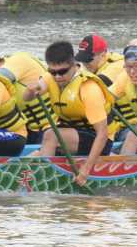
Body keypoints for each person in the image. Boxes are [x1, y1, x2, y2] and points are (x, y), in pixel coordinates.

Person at [25, 40, 115, 186]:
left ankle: (44, 183)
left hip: (98, 141)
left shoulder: (88, 87)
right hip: (73, 136)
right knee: (39, 149)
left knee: (51, 135)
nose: (58, 77)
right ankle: (37, 171)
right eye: (53, 72)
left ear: (73, 64)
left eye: (62, 72)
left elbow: (102, 134)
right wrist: (30, 90)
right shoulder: (50, 78)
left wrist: (86, 170)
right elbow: (27, 98)